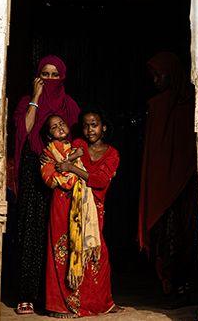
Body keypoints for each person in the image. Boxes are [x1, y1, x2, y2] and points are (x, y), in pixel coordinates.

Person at [12, 56, 80, 315]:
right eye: (45, 74)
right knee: (31, 230)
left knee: (59, 231)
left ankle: (54, 296)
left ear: (62, 76)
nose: (50, 79)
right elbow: (25, 130)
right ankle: (26, 295)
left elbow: (78, 140)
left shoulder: (69, 105)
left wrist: (63, 159)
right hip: (33, 171)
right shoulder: (27, 101)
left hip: (63, 174)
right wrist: (36, 96)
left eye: (55, 75)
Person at [138, 51, 198, 301]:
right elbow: (155, 152)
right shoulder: (157, 105)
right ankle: (169, 285)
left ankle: (184, 284)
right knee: (166, 236)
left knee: (187, 233)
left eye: (158, 74)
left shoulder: (189, 104)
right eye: (152, 76)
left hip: (184, 183)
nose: (155, 80)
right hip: (162, 183)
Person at [44, 110, 119, 317]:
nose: (90, 130)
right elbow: (58, 159)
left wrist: (72, 168)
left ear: (103, 127)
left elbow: (100, 180)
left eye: (94, 124)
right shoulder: (78, 144)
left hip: (94, 207)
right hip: (67, 202)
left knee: (96, 252)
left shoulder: (112, 154)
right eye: (86, 125)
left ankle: (97, 303)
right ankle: (64, 305)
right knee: (64, 250)